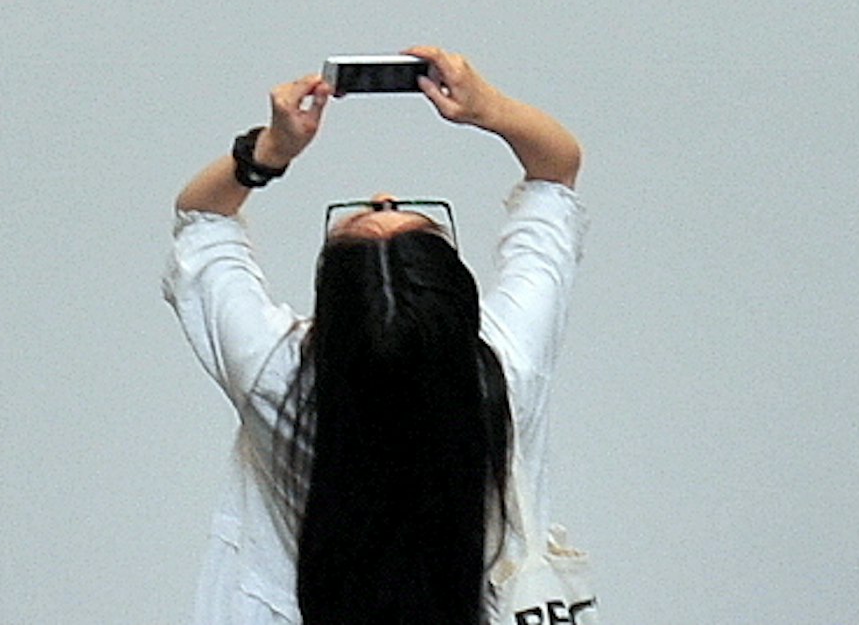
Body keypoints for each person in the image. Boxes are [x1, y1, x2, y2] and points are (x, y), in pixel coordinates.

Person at [164, 50, 584, 625]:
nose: (384, 194)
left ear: (331, 304)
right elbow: (555, 171)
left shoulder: (275, 376)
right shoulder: (507, 371)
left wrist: (269, 152)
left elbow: (203, 219)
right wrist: (490, 109)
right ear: (452, 297)